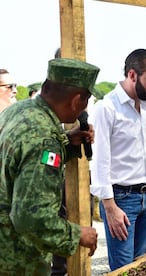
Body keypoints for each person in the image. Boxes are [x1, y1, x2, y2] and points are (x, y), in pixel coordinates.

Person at [0, 58, 99, 275]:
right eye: (86, 101)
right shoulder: (45, 139)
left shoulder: (19, 112)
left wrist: (66, 143)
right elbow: (30, 218)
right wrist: (77, 234)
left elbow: (19, 162)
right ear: (76, 101)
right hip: (17, 261)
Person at [90, 48, 146, 271]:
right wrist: (109, 206)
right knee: (123, 268)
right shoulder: (106, 108)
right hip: (121, 201)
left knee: (139, 265)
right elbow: (100, 161)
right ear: (132, 75)